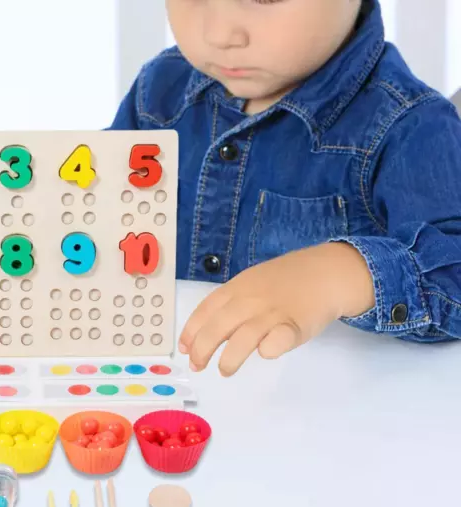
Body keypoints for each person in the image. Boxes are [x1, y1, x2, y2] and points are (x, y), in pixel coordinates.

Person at [110, 0, 461, 376]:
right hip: (175, 390)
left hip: (325, 411)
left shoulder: (412, 125)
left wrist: (341, 274)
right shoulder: (158, 93)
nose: (219, 34)